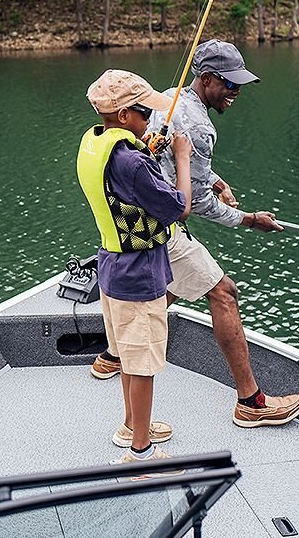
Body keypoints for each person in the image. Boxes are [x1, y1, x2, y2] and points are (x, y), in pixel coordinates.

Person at [91, 40, 299, 429]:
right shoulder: (200, 129)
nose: (237, 92)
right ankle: (251, 402)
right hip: (164, 227)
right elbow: (196, 202)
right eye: (230, 84)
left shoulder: (169, 99)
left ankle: (112, 356)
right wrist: (249, 219)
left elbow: (164, 159)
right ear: (206, 79)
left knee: (166, 287)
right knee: (223, 292)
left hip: (138, 223)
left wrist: (216, 180)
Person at [78, 69, 193, 466]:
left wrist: (144, 149)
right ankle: (140, 452)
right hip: (139, 272)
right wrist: (180, 158)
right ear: (125, 115)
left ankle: (131, 424)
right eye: (145, 112)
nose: (150, 119)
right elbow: (178, 206)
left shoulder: (98, 143)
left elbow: (126, 178)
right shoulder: (132, 161)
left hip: (111, 266)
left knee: (127, 355)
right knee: (142, 363)